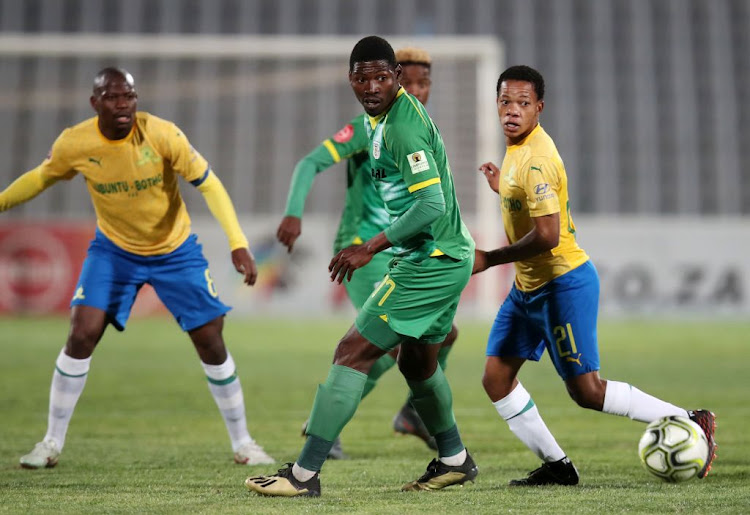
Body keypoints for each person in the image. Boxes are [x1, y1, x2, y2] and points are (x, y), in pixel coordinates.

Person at [0, 67, 274, 469]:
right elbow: (42, 178)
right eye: (113, 97)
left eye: (129, 96)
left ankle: (244, 443)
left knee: (211, 340)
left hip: (175, 251)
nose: (124, 104)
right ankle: (51, 443)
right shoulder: (75, 143)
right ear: (95, 103)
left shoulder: (163, 134)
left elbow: (210, 184)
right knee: (81, 333)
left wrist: (238, 242)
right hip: (115, 252)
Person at [246, 36, 477, 497]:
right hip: (439, 256)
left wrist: (369, 246)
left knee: (352, 351)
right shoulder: (376, 121)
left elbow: (430, 203)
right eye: (362, 77)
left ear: (395, 77)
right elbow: (314, 163)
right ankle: (453, 458)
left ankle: (305, 474)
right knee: (417, 361)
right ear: (351, 79)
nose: (372, 86)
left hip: (427, 260)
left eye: (381, 77)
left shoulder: (402, 128)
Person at [473, 65, 717, 485]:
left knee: (587, 392)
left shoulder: (536, 159)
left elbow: (548, 236)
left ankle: (690, 420)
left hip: (561, 284)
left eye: (523, 104)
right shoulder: (516, 150)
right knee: (496, 379)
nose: (512, 111)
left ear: (539, 108)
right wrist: (503, 188)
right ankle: (558, 467)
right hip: (527, 288)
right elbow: (529, 203)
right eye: (505, 102)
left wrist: (492, 258)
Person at [276, 47, 454, 458]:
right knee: (387, 343)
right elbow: (308, 164)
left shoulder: (414, 128)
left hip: (403, 248)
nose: (416, 91)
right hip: (364, 249)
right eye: (408, 82)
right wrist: (292, 213)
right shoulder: (365, 128)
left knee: (444, 336)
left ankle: (412, 415)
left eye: (422, 83)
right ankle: (327, 427)